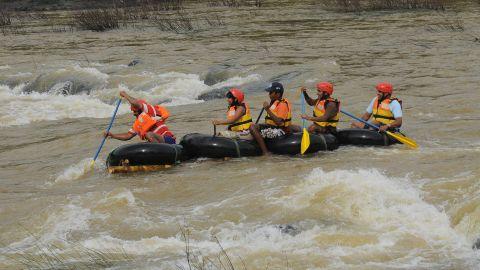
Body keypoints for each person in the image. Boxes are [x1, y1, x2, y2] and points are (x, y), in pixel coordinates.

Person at [104, 91, 176, 144]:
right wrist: (113, 135)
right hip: (156, 142)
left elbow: (135, 103)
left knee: (148, 134)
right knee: (145, 139)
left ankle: (160, 153)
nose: (134, 113)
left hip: (167, 139)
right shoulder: (137, 123)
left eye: (135, 109)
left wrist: (125, 95)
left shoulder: (149, 110)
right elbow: (128, 135)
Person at [249, 82, 292, 155]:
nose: (269, 94)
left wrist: (267, 109)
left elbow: (279, 122)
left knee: (252, 127)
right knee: (253, 126)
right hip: (272, 127)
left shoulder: (282, 104)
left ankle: (265, 152)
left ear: (277, 94)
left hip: (278, 130)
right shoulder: (274, 102)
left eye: (271, 92)